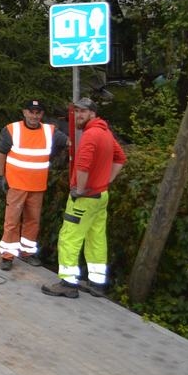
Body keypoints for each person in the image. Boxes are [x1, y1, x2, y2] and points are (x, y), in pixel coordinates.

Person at [41, 97, 126, 298]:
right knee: (96, 237)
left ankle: (68, 283)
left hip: (85, 198)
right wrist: (106, 181)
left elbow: (83, 165)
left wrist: (80, 189)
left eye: (83, 112)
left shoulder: (90, 135)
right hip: (100, 196)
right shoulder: (105, 133)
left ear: (92, 114)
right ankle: (97, 283)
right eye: (76, 111)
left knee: (69, 237)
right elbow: (120, 158)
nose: (78, 115)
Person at [0, 99, 68, 271]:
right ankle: (7, 256)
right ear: (24, 112)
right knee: (12, 221)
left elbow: (69, 142)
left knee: (32, 221)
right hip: (16, 185)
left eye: (38, 113)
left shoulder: (50, 131)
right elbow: (1, 153)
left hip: (37, 186)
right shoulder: (12, 130)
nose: (34, 116)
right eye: (31, 112)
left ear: (42, 114)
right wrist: (1, 176)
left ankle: (27, 253)